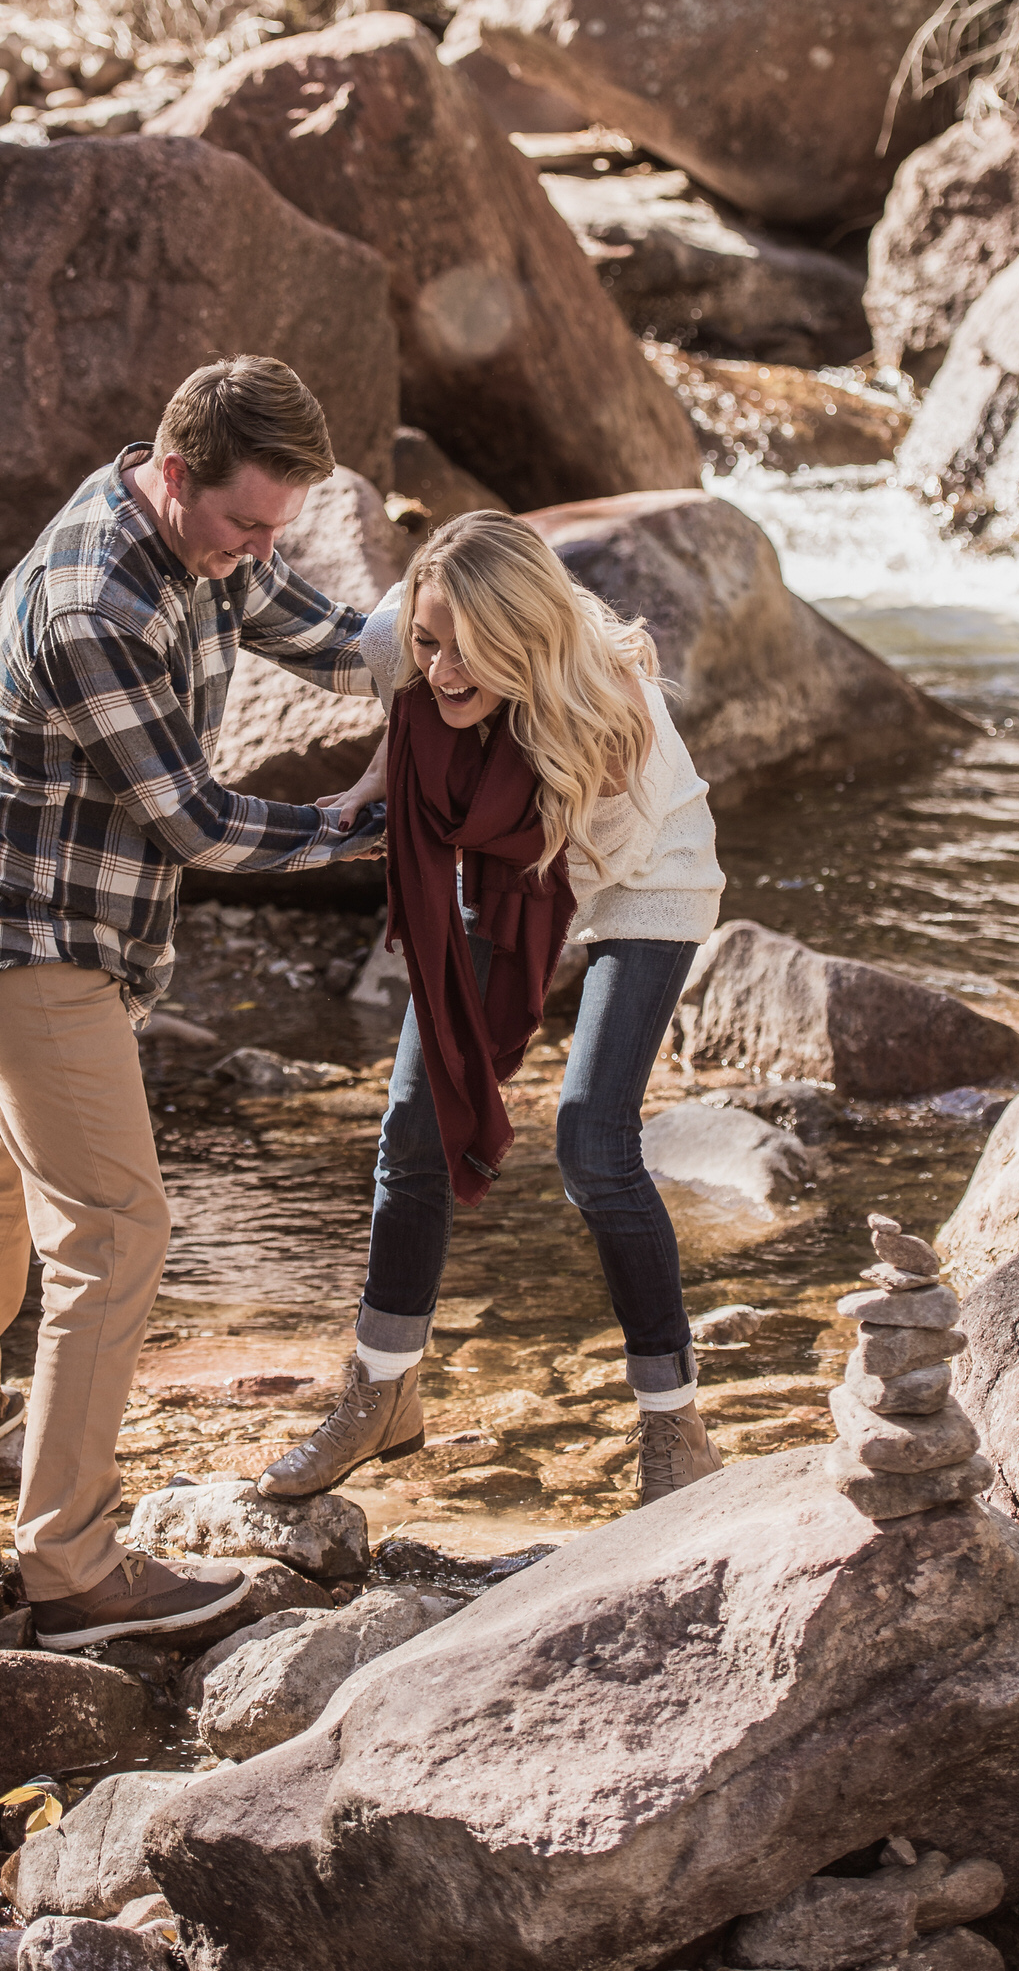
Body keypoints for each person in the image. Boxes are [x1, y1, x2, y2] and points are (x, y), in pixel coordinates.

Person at [0, 356, 385, 1650]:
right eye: (244, 524)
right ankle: (69, 1570)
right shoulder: (94, 599)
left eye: (275, 526)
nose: (259, 551)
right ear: (175, 475)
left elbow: (330, 639)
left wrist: (451, 648)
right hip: (24, 939)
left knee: (13, 1162)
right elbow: (196, 826)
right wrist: (361, 824)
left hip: (63, 930)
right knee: (116, 1234)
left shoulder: (208, 536)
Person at [259, 510, 728, 1513]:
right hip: (508, 872)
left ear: (520, 635)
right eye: (425, 642)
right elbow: (378, 685)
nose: (438, 666)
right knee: (408, 1128)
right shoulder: (425, 631)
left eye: (464, 649)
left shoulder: (606, 708)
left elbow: (554, 875)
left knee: (591, 1146)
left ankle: (673, 1423)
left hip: (638, 877)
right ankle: (380, 1396)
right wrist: (358, 783)